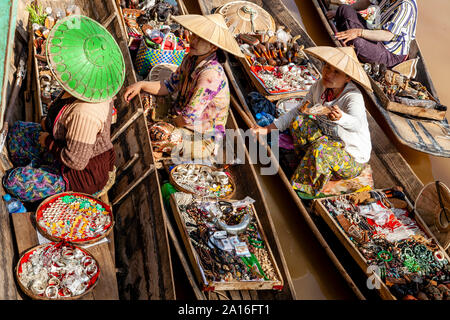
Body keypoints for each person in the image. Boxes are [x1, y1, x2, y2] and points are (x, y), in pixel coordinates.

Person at [3, 15, 125, 202]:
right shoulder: (94, 88)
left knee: (13, 181)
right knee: (17, 131)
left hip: (79, 177)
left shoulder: (86, 113)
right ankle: (39, 164)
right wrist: (48, 127)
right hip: (62, 146)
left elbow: (75, 161)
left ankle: (41, 171)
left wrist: (48, 143)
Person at [252, 46, 372, 197]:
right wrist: (268, 128)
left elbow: (357, 124)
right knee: (299, 121)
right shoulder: (319, 86)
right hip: (329, 141)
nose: (328, 74)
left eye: (336, 72)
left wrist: (342, 118)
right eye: (327, 67)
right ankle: (308, 162)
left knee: (321, 149)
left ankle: (301, 190)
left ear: (347, 78)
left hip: (351, 156)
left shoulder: (352, 97)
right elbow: (297, 110)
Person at [123, 14, 244, 160]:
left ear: (213, 47)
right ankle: (162, 144)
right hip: (179, 115)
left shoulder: (211, 75)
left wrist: (167, 123)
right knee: (144, 97)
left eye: (200, 39)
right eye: (194, 35)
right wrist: (141, 84)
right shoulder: (190, 58)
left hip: (201, 138)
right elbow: (168, 86)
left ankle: (165, 147)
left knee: (158, 133)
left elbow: (187, 118)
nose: (193, 40)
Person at [327, 0, 418, 67]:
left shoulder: (405, 6)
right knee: (344, 9)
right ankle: (347, 34)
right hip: (375, 34)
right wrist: (338, 12)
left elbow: (387, 35)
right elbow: (367, 2)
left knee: (357, 42)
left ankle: (346, 34)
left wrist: (359, 32)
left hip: (390, 53)